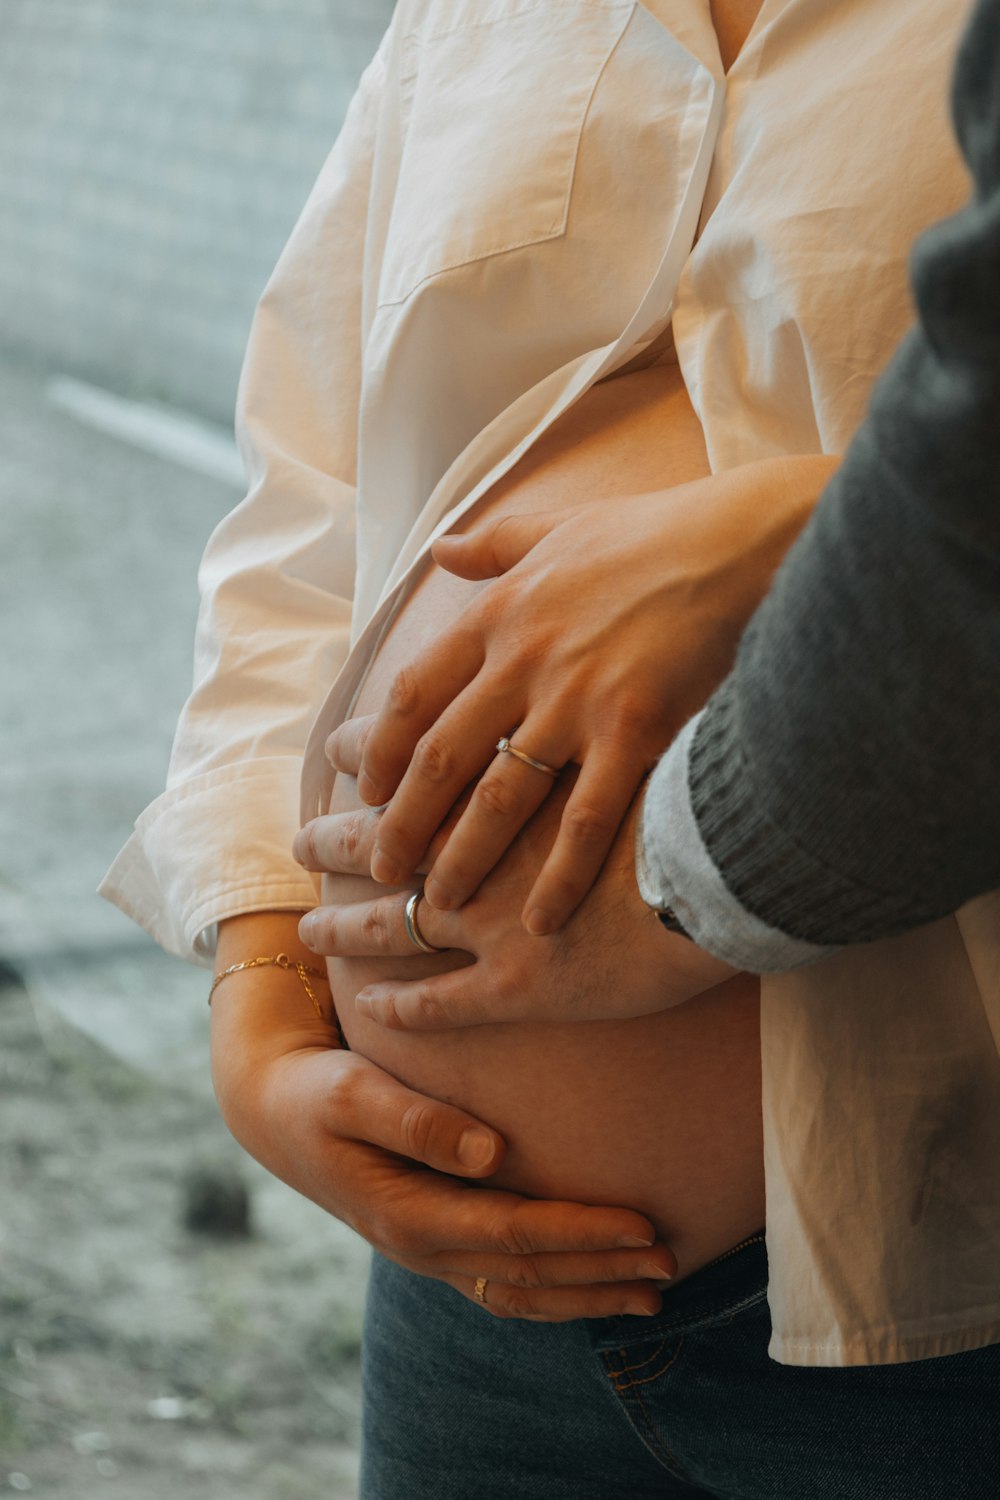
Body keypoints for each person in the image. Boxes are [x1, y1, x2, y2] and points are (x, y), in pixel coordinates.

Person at [101, 0, 1000, 1494]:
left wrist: (783, 528)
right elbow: (313, 497)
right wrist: (259, 991)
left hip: (932, 1318)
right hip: (471, 1319)